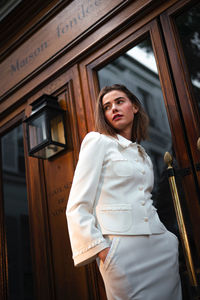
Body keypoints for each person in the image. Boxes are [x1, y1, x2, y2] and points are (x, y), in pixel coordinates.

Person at [66, 84, 182, 300]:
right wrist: (102, 250)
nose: (113, 109)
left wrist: (169, 239)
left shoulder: (143, 154)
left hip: (160, 248)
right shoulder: (97, 141)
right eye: (107, 107)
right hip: (122, 251)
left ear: (135, 106)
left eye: (119, 102)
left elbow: (145, 199)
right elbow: (77, 205)